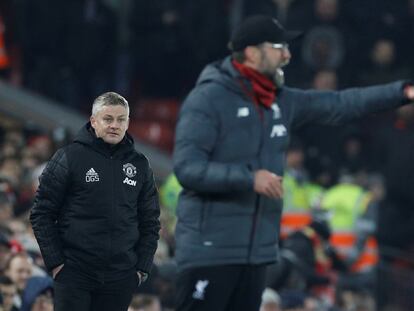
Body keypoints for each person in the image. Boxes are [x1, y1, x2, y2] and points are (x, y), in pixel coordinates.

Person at [172, 15, 414, 311]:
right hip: (210, 252)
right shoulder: (207, 99)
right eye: (278, 47)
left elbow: (341, 104)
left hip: (256, 256)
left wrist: (402, 92)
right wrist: (250, 178)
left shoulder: (280, 101)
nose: (287, 55)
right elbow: (188, 168)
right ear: (251, 52)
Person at [30, 92, 160, 311]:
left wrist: (140, 269)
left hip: (120, 277)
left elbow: (150, 222)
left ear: (128, 123)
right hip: (74, 272)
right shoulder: (69, 157)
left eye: (121, 119)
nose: (114, 125)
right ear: (93, 121)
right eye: (108, 119)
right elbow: (41, 212)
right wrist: (57, 263)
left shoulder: (140, 165)